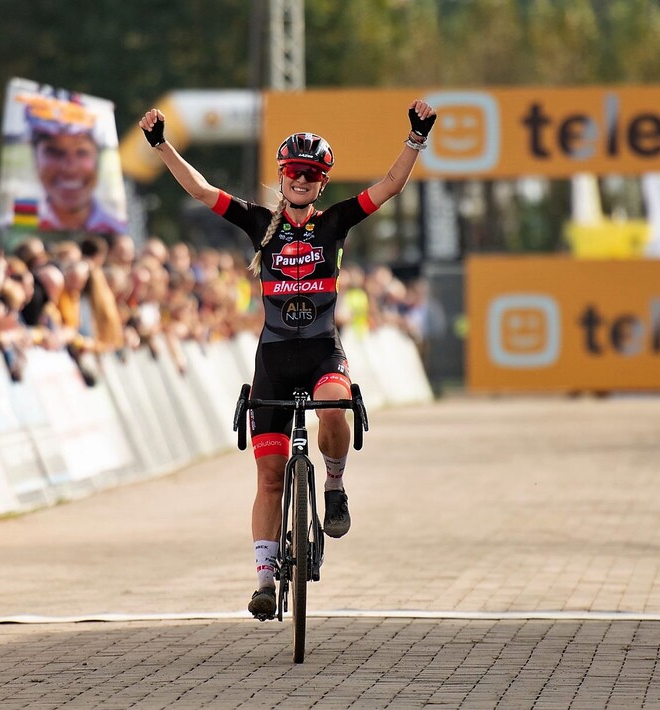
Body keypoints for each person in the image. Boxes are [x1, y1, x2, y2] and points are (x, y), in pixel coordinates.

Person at [140, 98, 437, 620]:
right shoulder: (259, 223)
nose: (301, 180)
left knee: (333, 407)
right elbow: (200, 190)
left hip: (322, 350)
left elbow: (389, 186)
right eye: (294, 172)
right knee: (270, 478)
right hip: (273, 357)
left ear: (322, 183)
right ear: (282, 177)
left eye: (312, 173)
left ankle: (335, 485)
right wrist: (162, 145)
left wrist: (415, 139)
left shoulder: (336, 222)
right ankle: (262, 578)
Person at [24, 100, 127, 234]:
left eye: (81, 152)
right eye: (55, 152)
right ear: (35, 159)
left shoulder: (116, 229)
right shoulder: (21, 222)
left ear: (98, 160)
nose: (70, 168)